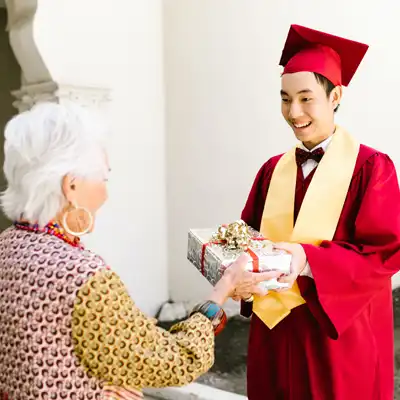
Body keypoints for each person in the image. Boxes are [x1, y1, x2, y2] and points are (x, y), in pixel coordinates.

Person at [0, 102, 280, 400]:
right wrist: (222, 290)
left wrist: (85, 383)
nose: (105, 194)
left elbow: (41, 354)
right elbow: (178, 359)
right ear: (71, 186)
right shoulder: (83, 277)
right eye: (103, 178)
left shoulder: (7, 246)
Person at [236, 24, 400, 400]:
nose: (294, 112)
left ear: (335, 96)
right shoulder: (272, 169)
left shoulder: (371, 168)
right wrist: (235, 271)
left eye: (306, 98)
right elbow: (248, 236)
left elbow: (384, 253)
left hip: (337, 334)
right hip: (275, 329)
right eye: (284, 99)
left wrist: (307, 259)